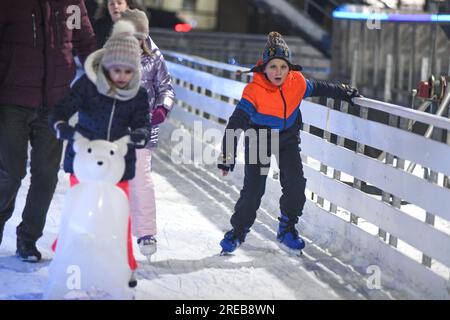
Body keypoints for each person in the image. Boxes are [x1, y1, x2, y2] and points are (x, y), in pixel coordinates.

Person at [218, 32, 360, 254]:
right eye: (273, 67)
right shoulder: (254, 91)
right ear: (264, 67)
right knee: (253, 190)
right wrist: (227, 158)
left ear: (289, 68)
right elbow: (235, 124)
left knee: (295, 184)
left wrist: (343, 92)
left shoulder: (297, 83)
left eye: (283, 67)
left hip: (287, 138)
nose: (278, 72)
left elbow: (321, 88)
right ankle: (238, 232)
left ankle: (287, 228)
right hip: (260, 137)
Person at [49, 20, 152, 276]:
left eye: (128, 72)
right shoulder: (87, 86)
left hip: (118, 161)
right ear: (106, 66)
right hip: (84, 155)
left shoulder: (138, 95)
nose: (121, 76)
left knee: (119, 211)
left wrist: (140, 133)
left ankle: (124, 257)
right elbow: (61, 110)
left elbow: (142, 122)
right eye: (116, 70)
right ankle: (66, 246)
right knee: (79, 207)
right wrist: (61, 124)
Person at [0, 0, 97, 262]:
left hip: (55, 105)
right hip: (12, 101)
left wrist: (102, 81)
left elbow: (85, 42)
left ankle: (28, 238)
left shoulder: (71, 4)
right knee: (10, 173)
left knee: (46, 175)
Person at [119, 9, 175, 259]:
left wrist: (163, 107)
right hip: (115, 132)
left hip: (143, 130)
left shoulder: (154, 57)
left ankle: (146, 232)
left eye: (139, 38)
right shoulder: (113, 57)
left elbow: (166, 87)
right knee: (113, 181)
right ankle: (111, 228)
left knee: (141, 180)